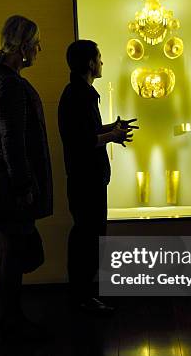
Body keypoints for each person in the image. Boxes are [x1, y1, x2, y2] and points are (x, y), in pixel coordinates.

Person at [0, 15, 53, 341]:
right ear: (23, 47)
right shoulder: (9, 84)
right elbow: (12, 142)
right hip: (7, 190)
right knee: (10, 255)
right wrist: (23, 187)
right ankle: (12, 320)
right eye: (36, 43)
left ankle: (12, 317)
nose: (39, 49)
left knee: (7, 254)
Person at [58, 40, 138, 312]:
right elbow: (81, 140)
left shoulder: (77, 93)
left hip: (85, 178)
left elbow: (86, 132)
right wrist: (112, 135)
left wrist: (111, 129)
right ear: (91, 63)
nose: (102, 62)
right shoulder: (79, 95)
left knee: (86, 236)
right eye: (100, 58)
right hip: (87, 179)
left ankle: (82, 296)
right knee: (88, 238)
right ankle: (83, 298)